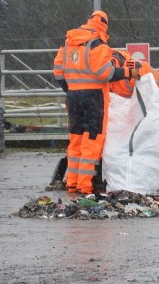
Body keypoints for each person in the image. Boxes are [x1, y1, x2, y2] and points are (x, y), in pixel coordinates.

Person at [52, 11, 139, 195]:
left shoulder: (69, 43)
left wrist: (71, 89)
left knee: (75, 139)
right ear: (105, 26)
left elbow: (58, 72)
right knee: (92, 140)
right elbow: (104, 73)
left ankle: (72, 182)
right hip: (94, 97)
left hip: (73, 97)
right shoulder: (98, 45)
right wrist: (125, 72)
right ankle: (86, 185)